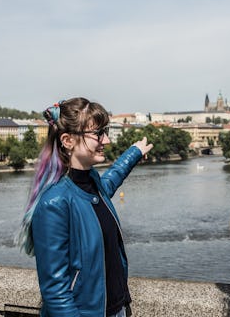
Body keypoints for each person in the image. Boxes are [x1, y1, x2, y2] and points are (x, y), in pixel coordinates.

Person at [17, 97, 153, 317]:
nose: (106, 140)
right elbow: (55, 293)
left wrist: (133, 154)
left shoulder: (92, 184)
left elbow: (110, 180)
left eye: (105, 131)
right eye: (98, 134)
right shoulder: (55, 203)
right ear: (67, 140)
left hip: (116, 310)